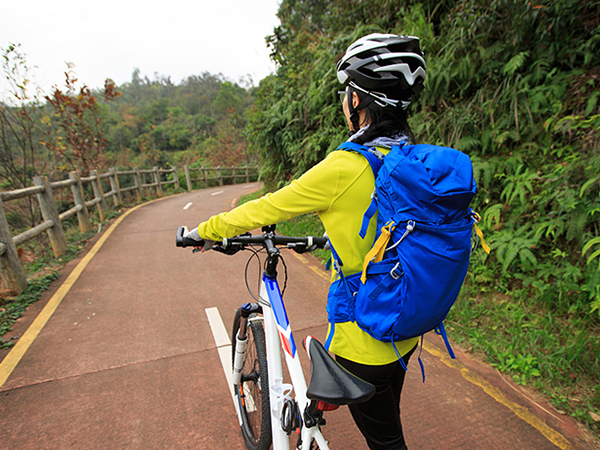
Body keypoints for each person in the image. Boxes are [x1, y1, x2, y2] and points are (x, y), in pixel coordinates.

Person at [186, 33, 427, 450]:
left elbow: (265, 209)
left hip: (364, 337)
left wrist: (205, 230)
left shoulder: (344, 168)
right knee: (389, 422)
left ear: (358, 101)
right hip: (405, 326)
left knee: (389, 443)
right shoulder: (417, 161)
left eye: (347, 93)